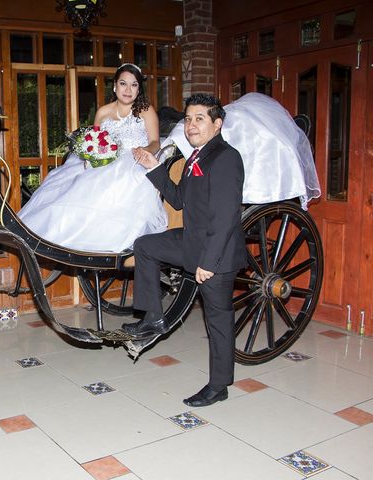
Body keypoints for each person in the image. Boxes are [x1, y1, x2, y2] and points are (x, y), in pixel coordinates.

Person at [123, 93, 247, 408]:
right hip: (192, 242)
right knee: (146, 246)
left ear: (217, 124)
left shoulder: (225, 158)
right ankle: (153, 317)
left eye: (200, 119)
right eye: (188, 119)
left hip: (215, 255)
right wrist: (154, 168)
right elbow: (179, 199)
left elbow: (226, 217)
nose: (191, 125)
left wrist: (209, 262)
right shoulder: (197, 157)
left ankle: (219, 386)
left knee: (217, 319)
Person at [18, 63, 168, 252]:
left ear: (139, 89)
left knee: (122, 183)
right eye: (123, 83)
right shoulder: (103, 112)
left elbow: (156, 142)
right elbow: (96, 143)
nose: (128, 90)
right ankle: (60, 235)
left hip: (135, 161)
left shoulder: (146, 110)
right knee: (73, 186)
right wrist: (93, 157)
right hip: (107, 161)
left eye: (134, 85)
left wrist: (144, 150)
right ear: (114, 86)